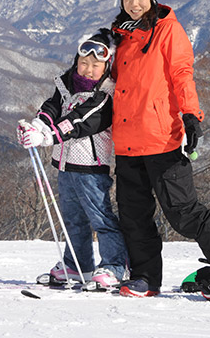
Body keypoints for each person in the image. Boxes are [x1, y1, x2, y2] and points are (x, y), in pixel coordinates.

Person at [109, 0, 210, 300]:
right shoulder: (121, 36)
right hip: (128, 143)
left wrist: (191, 115)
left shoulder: (167, 30)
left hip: (162, 138)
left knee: (183, 213)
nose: (134, 3)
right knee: (134, 217)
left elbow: (181, 74)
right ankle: (145, 278)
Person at [17, 29, 130, 290]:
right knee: (73, 220)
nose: (88, 69)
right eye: (84, 63)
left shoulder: (104, 96)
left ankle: (114, 265)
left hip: (91, 168)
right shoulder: (66, 85)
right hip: (65, 166)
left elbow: (79, 121)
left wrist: (48, 137)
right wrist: (37, 125)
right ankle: (77, 265)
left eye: (95, 65)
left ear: (107, 66)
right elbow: (52, 107)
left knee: (100, 218)